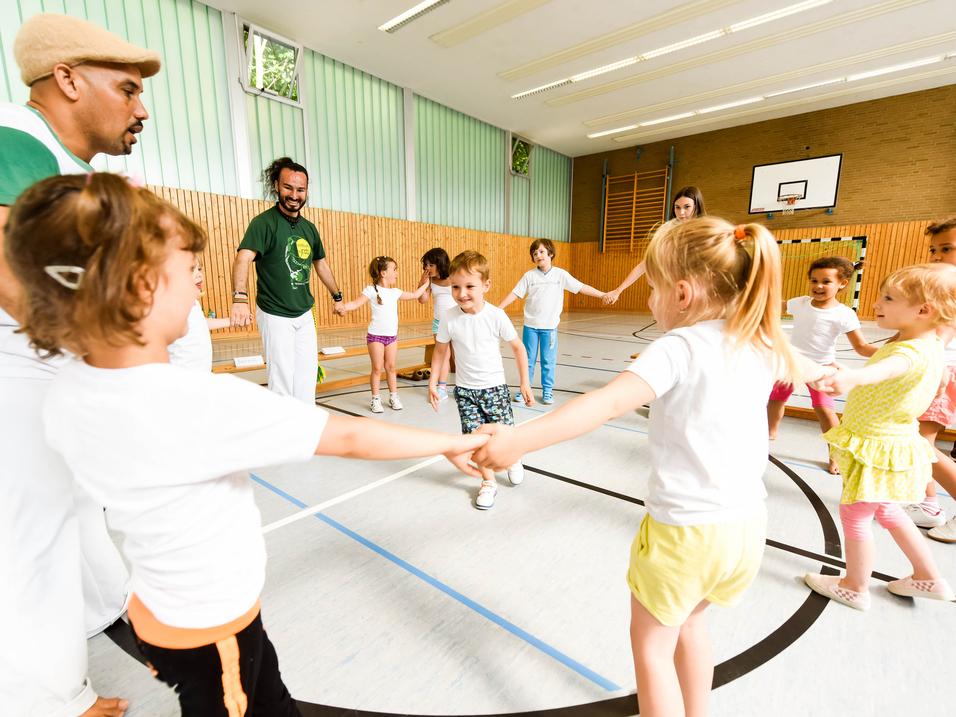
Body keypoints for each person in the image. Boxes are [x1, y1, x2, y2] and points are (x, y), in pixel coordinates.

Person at [5, 172, 489, 717]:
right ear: (141, 288)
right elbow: (349, 435)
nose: (200, 288)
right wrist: (448, 442)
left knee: (268, 693)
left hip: (160, 611)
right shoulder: (196, 404)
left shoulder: (70, 391)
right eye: (189, 273)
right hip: (211, 626)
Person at [473, 218, 828, 717]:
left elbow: (605, 403)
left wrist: (519, 441)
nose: (650, 300)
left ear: (682, 293)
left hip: (684, 535)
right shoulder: (762, 342)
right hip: (746, 530)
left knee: (652, 649)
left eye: (654, 288)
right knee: (692, 625)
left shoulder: (678, 348)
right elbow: (819, 371)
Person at [0, 13, 160, 717]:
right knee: (31, 538)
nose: (140, 107)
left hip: (45, 364)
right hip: (15, 367)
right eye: (126, 89)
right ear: (65, 80)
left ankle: (101, 607)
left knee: (79, 506)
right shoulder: (16, 136)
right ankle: (44, 700)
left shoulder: (73, 172)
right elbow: (10, 266)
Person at [804, 263, 956, 610]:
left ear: (924, 310)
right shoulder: (927, 342)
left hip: (875, 445)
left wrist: (852, 379)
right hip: (893, 441)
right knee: (888, 509)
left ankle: (854, 586)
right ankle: (928, 576)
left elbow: (891, 369)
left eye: (888, 298)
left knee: (856, 516)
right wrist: (851, 372)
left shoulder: (907, 351)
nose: (876, 303)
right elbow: (889, 371)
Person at [230, 157, 344, 404]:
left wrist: (337, 296)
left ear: (306, 191)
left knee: (306, 377)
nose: (294, 195)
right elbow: (243, 258)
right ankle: (285, 434)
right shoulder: (263, 223)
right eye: (288, 187)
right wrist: (240, 297)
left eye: (300, 190)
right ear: (276, 186)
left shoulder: (310, 229)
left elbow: (320, 264)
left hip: (303, 313)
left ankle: (305, 430)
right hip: (274, 313)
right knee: (281, 379)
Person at [429, 251, 534, 510]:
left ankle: (513, 459)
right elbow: (440, 351)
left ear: (486, 285)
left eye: (469, 286)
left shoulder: (496, 315)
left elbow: (519, 348)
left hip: (495, 389)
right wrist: (433, 382)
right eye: (455, 286)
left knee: (504, 435)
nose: (461, 293)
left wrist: (525, 382)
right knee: (475, 440)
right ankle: (488, 482)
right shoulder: (449, 317)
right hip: (465, 392)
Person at [767, 256, 877, 472]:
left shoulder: (844, 314)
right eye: (814, 280)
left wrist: (890, 351)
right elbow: (775, 305)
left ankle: (835, 454)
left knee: (825, 411)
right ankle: (770, 432)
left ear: (842, 284)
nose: (818, 286)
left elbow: (862, 347)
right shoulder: (800, 303)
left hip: (821, 368)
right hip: (792, 363)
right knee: (775, 401)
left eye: (826, 282)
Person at [498, 238, 606, 404]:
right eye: (535, 253)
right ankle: (525, 389)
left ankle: (547, 391)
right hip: (530, 328)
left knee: (548, 361)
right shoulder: (529, 276)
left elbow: (581, 287)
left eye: (541, 252)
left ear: (550, 254)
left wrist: (602, 294)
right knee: (528, 361)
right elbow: (515, 293)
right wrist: (498, 308)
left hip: (549, 329)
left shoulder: (560, 275)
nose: (538, 255)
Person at [906, 218, 956, 538]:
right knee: (918, 441)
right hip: (935, 369)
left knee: (919, 443)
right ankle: (928, 504)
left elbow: (942, 335)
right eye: (934, 249)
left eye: (947, 248)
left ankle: (931, 503)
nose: (937, 256)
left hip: (941, 372)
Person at [338, 255, 428, 413]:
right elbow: (356, 303)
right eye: (394, 270)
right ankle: (376, 399)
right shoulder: (371, 290)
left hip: (391, 337)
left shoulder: (395, 292)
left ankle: (394, 396)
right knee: (377, 368)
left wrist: (426, 282)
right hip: (375, 336)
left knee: (391, 367)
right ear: (383, 273)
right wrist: (343, 307)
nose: (397, 273)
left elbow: (414, 295)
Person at [603, 185, 706, 305]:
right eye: (677, 207)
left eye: (687, 207)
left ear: (697, 206)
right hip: (677, 294)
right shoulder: (669, 233)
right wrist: (618, 290)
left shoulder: (705, 232)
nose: (681, 212)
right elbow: (644, 265)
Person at [168, 258, 231, 373]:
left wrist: (230, 321)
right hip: (183, 373)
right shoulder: (173, 304)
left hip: (202, 372)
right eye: (192, 270)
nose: (199, 275)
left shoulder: (194, 302)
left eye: (199, 269)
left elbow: (199, 323)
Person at [418, 247, 455, 401]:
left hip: (457, 321)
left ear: (440, 263)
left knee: (460, 355)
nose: (427, 268)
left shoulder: (454, 277)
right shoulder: (430, 280)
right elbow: (422, 300)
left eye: (430, 265)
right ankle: (442, 387)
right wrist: (422, 282)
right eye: (425, 265)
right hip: (439, 322)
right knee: (443, 356)